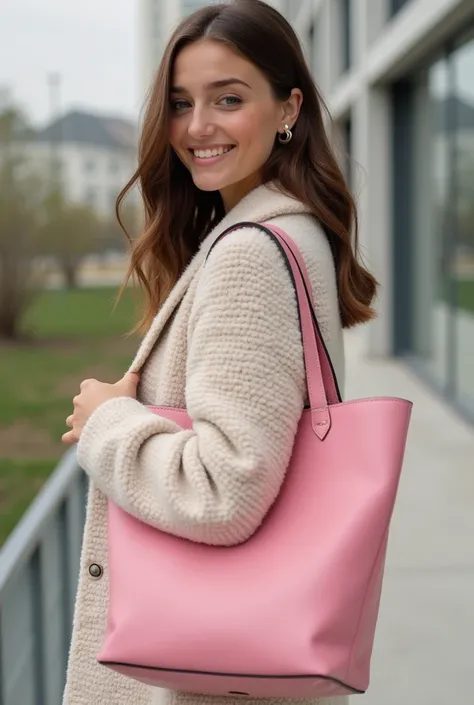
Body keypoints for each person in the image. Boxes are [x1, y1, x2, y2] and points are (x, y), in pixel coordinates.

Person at [61, 0, 377, 703]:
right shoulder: (291, 234)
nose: (197, 127)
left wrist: (108, 420)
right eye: (180, 103)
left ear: (288, 108)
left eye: (227, 99)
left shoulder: (251, 254)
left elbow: (225, 492)